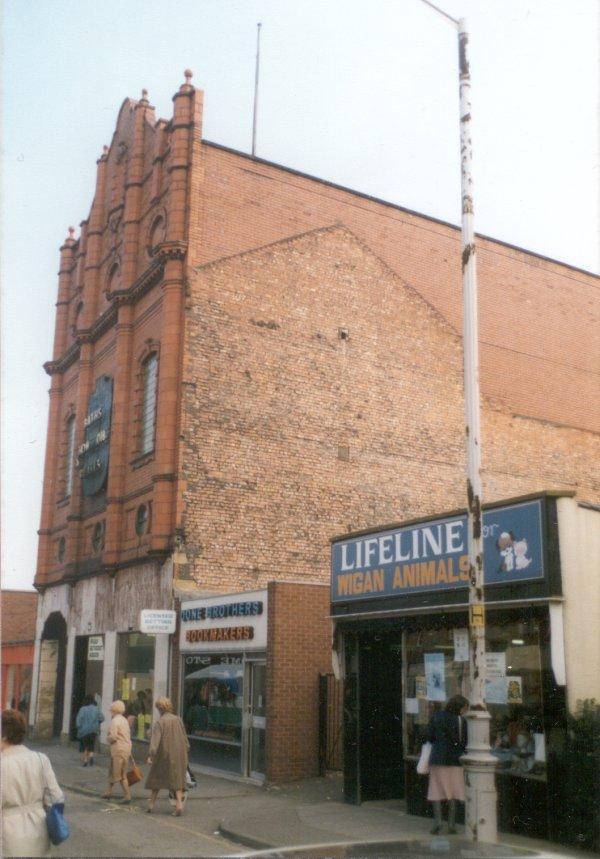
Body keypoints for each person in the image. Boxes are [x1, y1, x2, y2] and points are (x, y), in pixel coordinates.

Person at [1, 708, 65, 857]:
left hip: (9, 838)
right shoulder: (41, 759)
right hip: (39, 833)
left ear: (3, 735)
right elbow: (56, 797)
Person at [426, 694, 468, 835]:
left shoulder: (437, 717)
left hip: (437, 759)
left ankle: (437, 822)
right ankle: (451, 824)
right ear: (459, 707)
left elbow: (429, 736)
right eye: (464, 708)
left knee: (436, 790)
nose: (465, 711)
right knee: (453, 792)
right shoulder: (461, 721)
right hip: (455, 761)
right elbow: (464, 742)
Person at [145, 697, 190, 816]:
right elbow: (185, 737)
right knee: (177, 780)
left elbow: (155, 741)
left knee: (156, 778)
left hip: (164, 754)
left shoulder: (160, 722)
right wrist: (186, 749)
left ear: (160, 708)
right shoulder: (178, 719)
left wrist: (151, 755)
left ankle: (151, 804)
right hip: (180, 753)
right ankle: (179, 804)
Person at [102, 700, 132, 803]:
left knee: (120, 774)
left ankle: (127, 795)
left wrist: (107, 738)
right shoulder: (124, 720)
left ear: (114, 710)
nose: (110, 711)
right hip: (125, 748)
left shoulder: (115, 721)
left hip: (118, 748)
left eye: (111, 709)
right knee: (112, 770)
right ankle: (108, 791)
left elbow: (113, 737)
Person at [75, 693, 104, 767]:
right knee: (91, 745)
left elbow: (78, 721)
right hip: (93, 731)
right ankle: (91, 757)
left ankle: (85, 761)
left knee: (85, 746)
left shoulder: (82, 709)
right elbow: (102, 718)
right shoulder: (96, 708)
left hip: (84, 731)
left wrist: (79, 727)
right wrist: (97, 723)